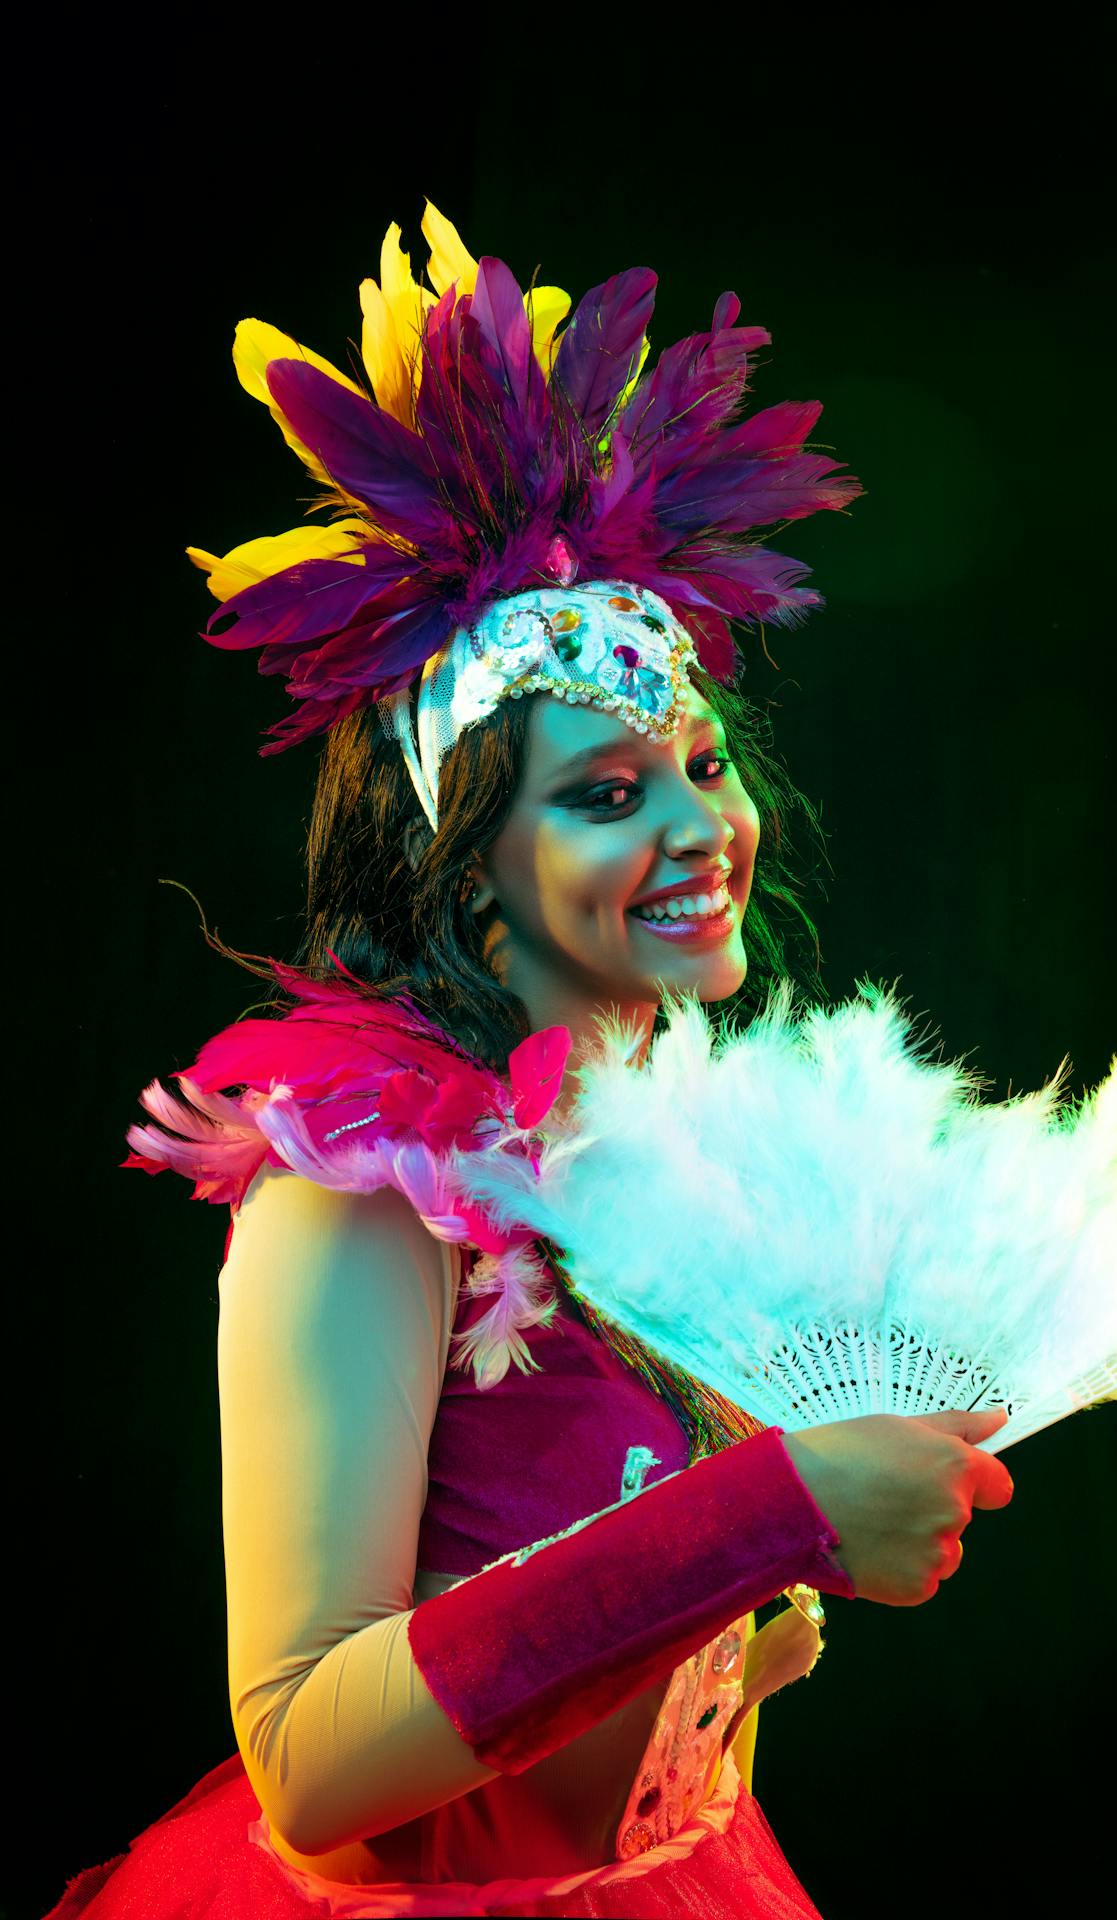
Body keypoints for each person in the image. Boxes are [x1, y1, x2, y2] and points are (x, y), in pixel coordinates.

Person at [52, 200, 1015, 1920]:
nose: (701, 827)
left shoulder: (671, 1158)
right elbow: (312, 1756)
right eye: (600, 793)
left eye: (700, 764)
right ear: (468, 880)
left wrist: (739, 1639)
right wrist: (771, 1513)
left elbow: (593, 1612)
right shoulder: (354, 1200)